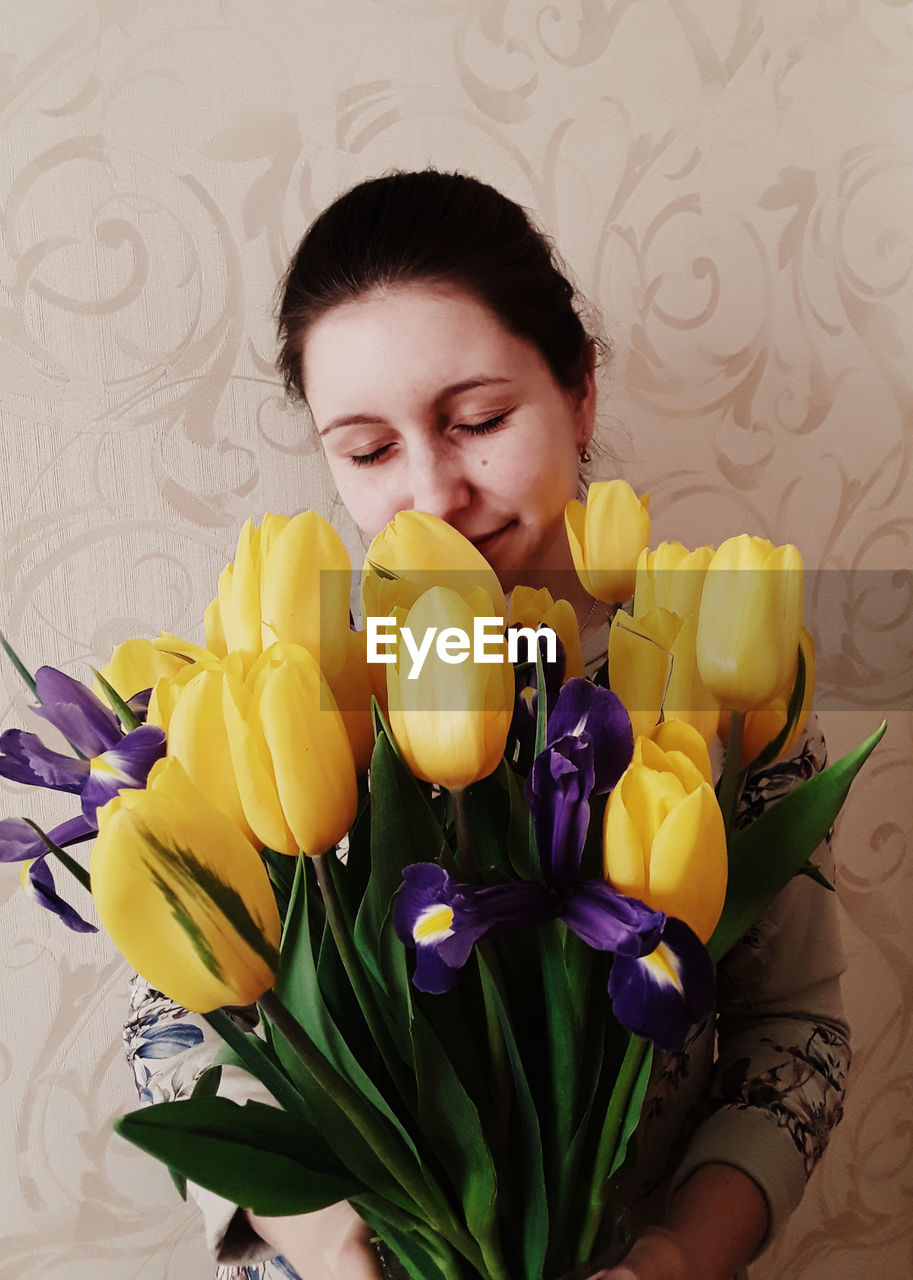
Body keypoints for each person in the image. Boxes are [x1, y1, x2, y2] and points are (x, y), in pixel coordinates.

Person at [124, 170, 849, 1280]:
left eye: (476, 421)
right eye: (366, 450)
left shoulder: (717, 679)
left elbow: (792, 1027)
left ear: (581, 391)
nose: (432, 493)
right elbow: (176, 1024)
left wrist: (678, 1256)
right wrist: (326, 1233)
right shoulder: (277, 688)